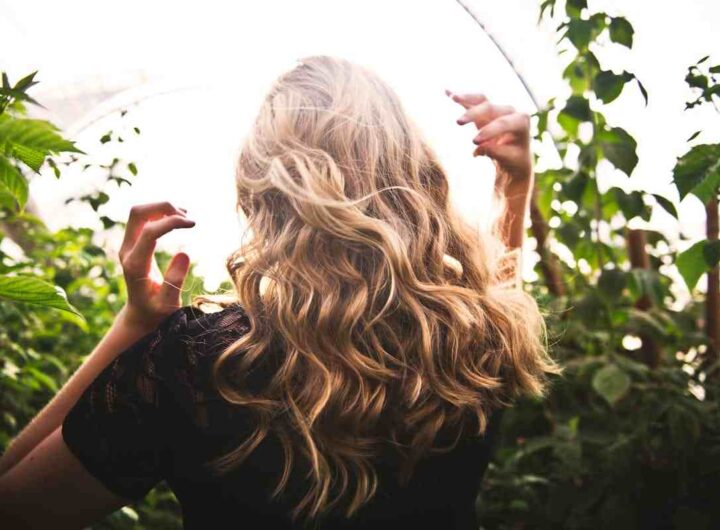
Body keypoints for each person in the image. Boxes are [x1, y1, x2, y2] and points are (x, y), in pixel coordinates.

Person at [0, 55, 560, 529]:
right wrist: (514, 184)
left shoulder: (198, 364)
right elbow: (495, 292)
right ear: (412, 170)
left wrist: (135, 326)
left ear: (260, 187)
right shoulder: (477, 338)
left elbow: (14, 506)